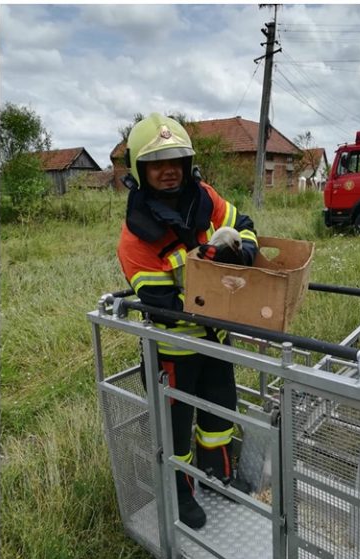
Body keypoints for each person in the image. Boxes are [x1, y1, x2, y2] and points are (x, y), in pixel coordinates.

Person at [117, 113, 258, 529]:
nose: (169, 170)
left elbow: (243, 225)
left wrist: (246, 252)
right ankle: (179, 493)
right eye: (156, 164)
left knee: (220, 413)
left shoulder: (206, 197)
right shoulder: (135, 237)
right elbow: (163, 302)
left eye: (175, 161)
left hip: (217, 341)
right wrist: (212, 274)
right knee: (175, 430)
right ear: (139, 171)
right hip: (174, 353)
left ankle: (216, 473)